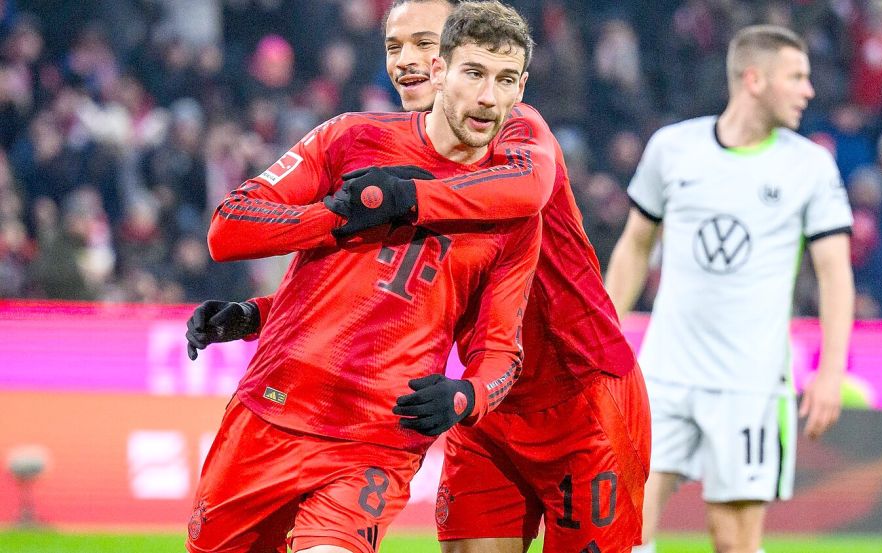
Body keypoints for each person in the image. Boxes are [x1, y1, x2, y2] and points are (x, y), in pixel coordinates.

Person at [187, 0, 651, 551]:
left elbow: (522, 193)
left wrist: (398, 198)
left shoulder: (517, 134)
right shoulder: (360, 138)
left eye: (424, 44)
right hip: (482, 408)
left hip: (580, 393)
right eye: (393, 46)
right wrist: (259, 312)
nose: (409, 62)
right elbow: (385, 286)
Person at [605, 25, 855, 553]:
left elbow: (834, 272)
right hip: (665, 375)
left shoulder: (809, 166)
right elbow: (634, 246)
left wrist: (830, 372)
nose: (809, 90)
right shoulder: (673, 149)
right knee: (624, 529)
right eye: (797, 77)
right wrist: (603, 337)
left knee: (734, 542)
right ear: (754, 79)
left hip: (750, 385)